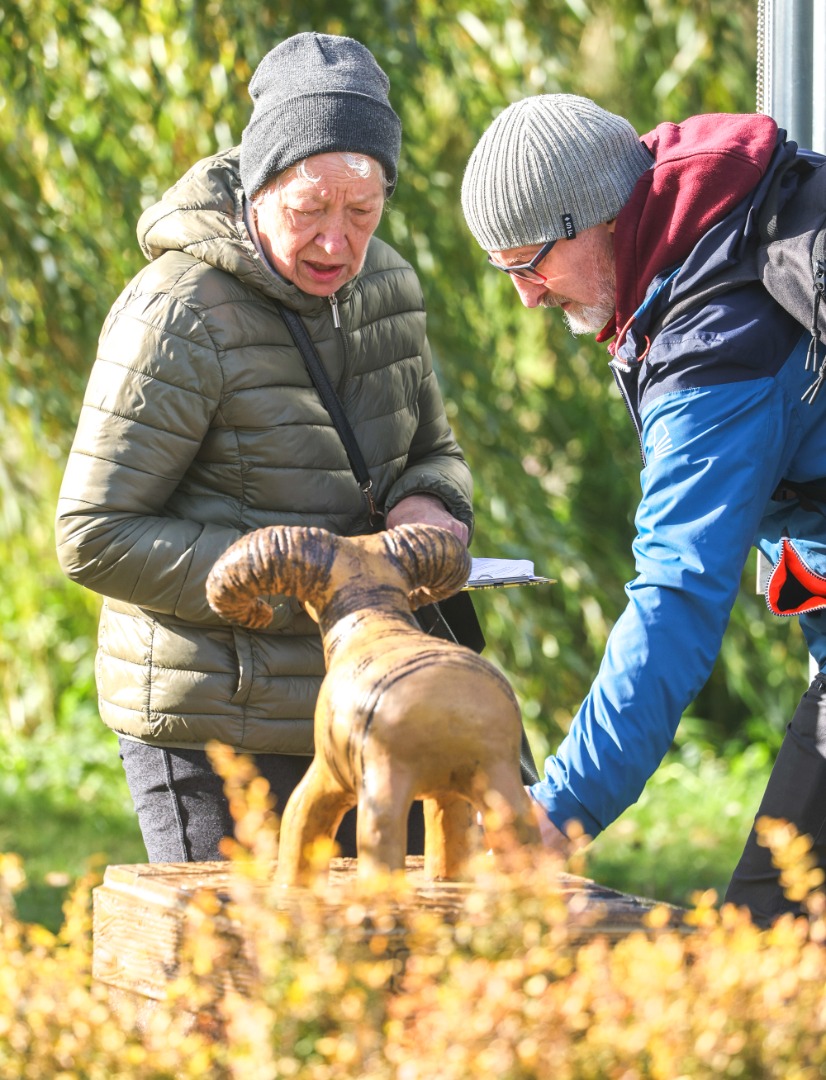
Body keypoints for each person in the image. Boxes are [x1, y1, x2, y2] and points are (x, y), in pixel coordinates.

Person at [55, 31, 473, 864]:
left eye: (362, 212)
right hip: (215, 724)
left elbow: (432, 448)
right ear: (257, 186)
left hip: (364, 701)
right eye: (308, 209)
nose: (335, 242)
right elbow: (92, 534)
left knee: (376, 971)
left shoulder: (386, 282)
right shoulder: (176, 311)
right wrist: (294, 577)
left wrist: (434, 504)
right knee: (230, 984)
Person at [461, 92, 826, 926]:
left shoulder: (718, 340)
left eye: (529, 264)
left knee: (769, 939)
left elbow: (675, 597)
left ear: (596, 218)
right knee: (776, 932)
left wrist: (558, 812)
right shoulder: (723, 227)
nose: (527, 298)